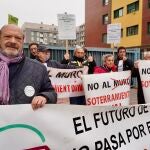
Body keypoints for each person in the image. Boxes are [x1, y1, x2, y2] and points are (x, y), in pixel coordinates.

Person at [0, 24, 57, 109]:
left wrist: (44, 96)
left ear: (23, 41)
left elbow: (51, 93)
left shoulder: (39, 68)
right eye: (7, 36)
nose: (13, 41)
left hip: (24, 121)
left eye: (18, 38)